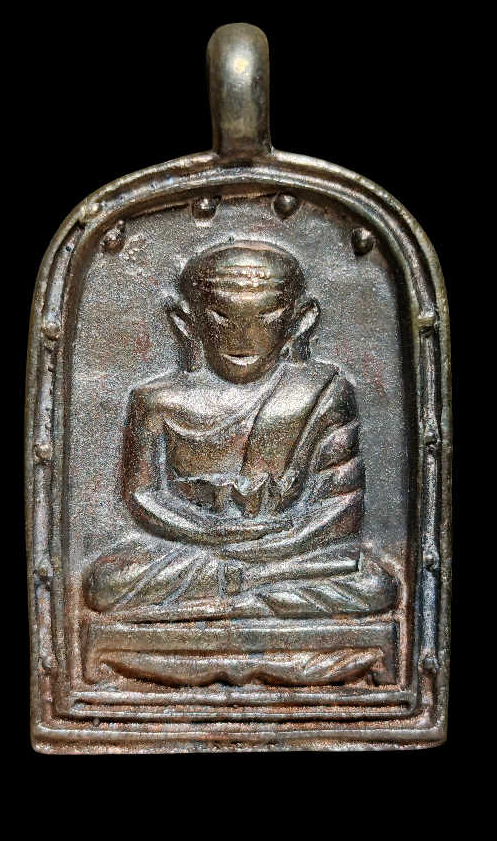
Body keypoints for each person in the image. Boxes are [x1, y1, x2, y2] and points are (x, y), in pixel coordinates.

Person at [83, 241, 395, 620]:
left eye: (267, 315)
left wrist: (273, 546)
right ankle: (251, 591)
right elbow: (142, 495)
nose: (244, 335)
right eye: (221, 316)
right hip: (198, 550)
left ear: (300, 320)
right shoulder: (156, 400)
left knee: (374, 583)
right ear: (186, 322)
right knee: (106, 582)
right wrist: (211, 533)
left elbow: (341, 509)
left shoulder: (323, 391)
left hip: (290, 552)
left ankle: (230, 594)